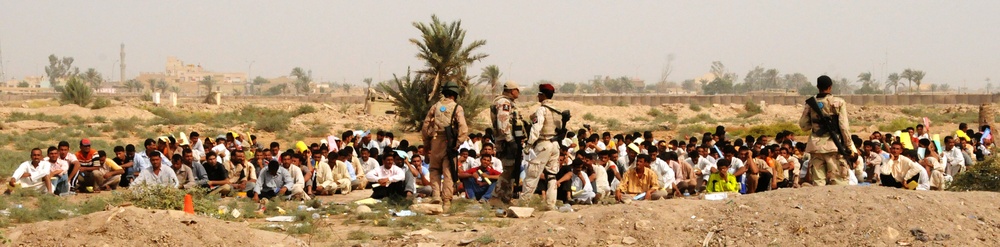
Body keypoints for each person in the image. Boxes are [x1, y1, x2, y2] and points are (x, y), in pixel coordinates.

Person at [798, 75, 857, 186]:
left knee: (818, 182)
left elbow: (804, 126)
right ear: (830, 87)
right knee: (839, 181)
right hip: (834, 146)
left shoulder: (811, 104)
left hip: (816, 147)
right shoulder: (839, 102)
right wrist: (848, 145)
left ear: (817, 87)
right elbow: (844, 127)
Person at [420, 81, 469, 209]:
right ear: (455, 94)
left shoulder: (435, 106)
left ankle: (436, 196)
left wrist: (426, 144)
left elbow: (425, 126)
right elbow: (463, 128)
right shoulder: (457, 108)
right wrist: (458, 143)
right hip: (450, 143)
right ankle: (446, 200)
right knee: (448, 171)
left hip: (435, 142)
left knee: (434, 169)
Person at [520, 83, 565, 210]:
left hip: (543, 143)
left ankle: (524, 203)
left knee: (532, 174)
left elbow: (536, 128)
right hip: (555, 144)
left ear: (543, 95)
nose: (538, 96)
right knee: (552, 176)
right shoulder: (557, 110)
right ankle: (551, 204)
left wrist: (529, 145)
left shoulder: (542, 110)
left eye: (539, 94)